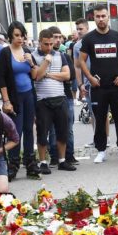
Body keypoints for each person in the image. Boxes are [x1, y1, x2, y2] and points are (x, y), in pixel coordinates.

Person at [78, 5, 118, 163]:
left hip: (116, 86)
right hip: (98, 87)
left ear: (108, 17)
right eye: (97, 16)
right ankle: (101, 150)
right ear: (93, 18)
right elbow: (81, 60)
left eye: (103, 16)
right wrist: (89, 78)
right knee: (100, 119)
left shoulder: (117, 37)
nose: (100, 19)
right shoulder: (89, 38)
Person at [0, 21, 41, 179]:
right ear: (10, 36)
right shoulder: (5, 53)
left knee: (29, 129)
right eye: (16, 35)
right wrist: (6, 101)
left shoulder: (27, 51)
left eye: (22, 35)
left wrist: (31, 63)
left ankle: (30, 163)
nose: (20, 38)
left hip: (29, 94)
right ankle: (13, 163)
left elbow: (34, 76)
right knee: (16, 131)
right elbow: (0, 78)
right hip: (14, 97)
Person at [31, 27, 73, 174]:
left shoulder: (60, 55)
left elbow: (67, 75)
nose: (49, 47)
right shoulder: (33, 56)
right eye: (46, 44)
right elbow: (36, 76)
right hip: (43, 100)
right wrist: (46, 62)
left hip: (60, 98)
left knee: (63, 132)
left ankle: (62, 160)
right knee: (43, 133)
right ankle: (43, 162)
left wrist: (48, 74)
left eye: (51, 43)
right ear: (39, 43)